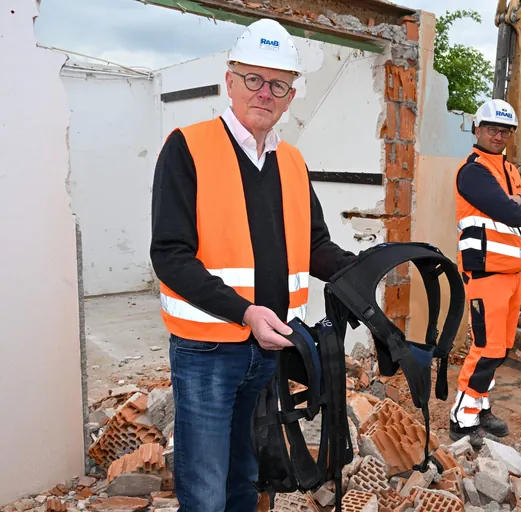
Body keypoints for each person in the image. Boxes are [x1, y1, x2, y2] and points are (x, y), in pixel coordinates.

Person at [149, 19, 355, 511]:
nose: (264, 92)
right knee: (204, 488)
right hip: (206, 354)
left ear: (290, 96)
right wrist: (244, 312)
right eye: (253, 79)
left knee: (247, 475)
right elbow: (170, 255)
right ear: (230, 80)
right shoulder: (188, 147)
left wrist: (363, 268)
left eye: (278, 84)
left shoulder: (292, 163)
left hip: (269, 351)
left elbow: (314, 244)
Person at [449, 99, 521, 446]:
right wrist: (520, 203)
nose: (497, 135)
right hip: (486, 272)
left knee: (501, 348)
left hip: (511, 274)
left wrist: (519, 201)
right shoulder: (473, 171)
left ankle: (481, 407)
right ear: (477, 129)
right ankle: (462, 418)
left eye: (504, 130)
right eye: (491, 128)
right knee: (486, 348)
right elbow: (515, 213)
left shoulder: (511, 171)